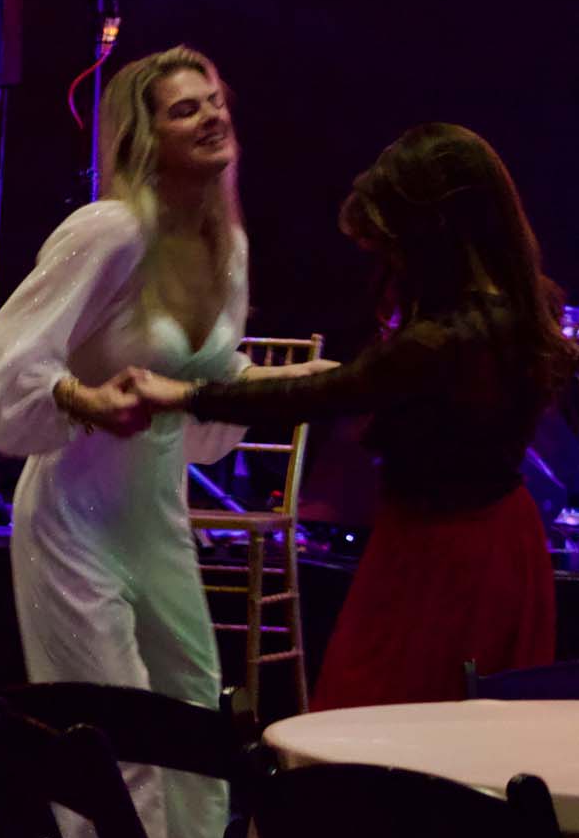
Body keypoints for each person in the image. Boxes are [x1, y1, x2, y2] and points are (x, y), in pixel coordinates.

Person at [0, 46, 323, 838]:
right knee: (116, 738)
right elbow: (7, 354)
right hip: (73, 521)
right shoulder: (111, 231)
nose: (211, 115)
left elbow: (208, 387)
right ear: (145, 135)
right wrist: (83, 399)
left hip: (156, 520)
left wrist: (303, 382)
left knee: (199, 723)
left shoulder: (228, 247)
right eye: (184, 108)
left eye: (215, 99)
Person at [129, 122, 572, 710]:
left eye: (396, 246)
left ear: (433, 232)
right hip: (487, 540)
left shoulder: (448, 337)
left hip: (448, 556)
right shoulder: (518, 306)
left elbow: (322, 397)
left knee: (388, 716)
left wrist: (183, 395)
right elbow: (373, 387)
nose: (391, 262)